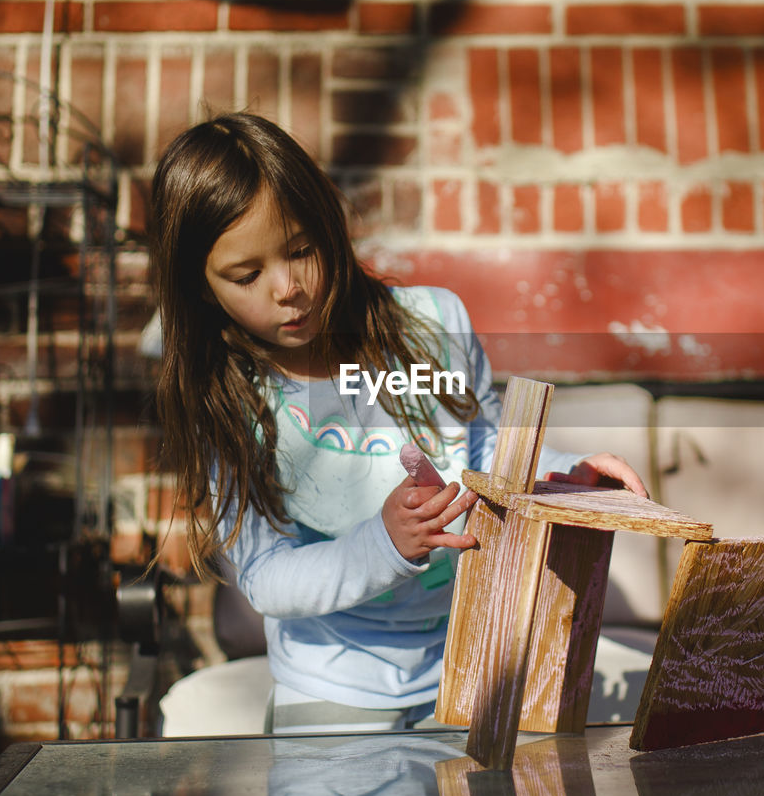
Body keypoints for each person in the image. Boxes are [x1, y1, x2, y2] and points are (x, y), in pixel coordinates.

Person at [149, 112, 646, 735]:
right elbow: (267, 576)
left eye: (302, 251)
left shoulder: (432, 328)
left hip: (469, 665)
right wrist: (382, 545)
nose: (288, 288)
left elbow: (488, 449)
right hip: (330, 687)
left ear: (330, 228)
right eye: (247, 276)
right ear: (201, 289)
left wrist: (559, 479)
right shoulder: (224, 402)